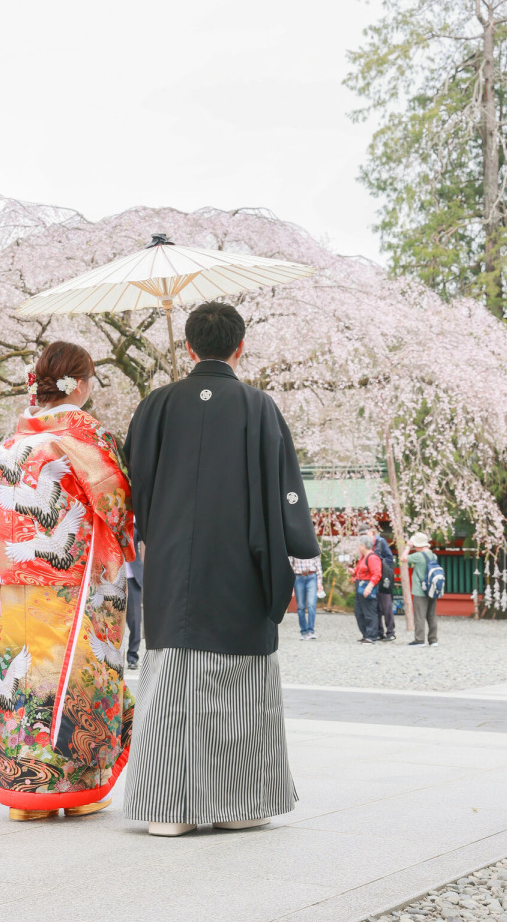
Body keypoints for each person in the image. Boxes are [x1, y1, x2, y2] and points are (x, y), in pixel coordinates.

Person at [123, 301, 319, 837]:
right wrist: (301, 544)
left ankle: (168, 809)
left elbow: (134, 483)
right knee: (241, 682)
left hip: (171, 566)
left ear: (188, 347)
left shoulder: (155, 406)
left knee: (170, 678)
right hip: (242, 564)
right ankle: (242, 804)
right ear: (240, 346)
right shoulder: (259, 407)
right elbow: (286, 489)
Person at [0, 340, 135, 821]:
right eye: (91, 379)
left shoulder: (11, 444)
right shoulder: (85, 436)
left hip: (17, 584)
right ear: (78, 384)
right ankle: (78, 792)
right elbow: (116, 501)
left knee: (24, 678)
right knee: (75, 677)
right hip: (75, 584)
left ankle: (25, 794)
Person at [359, 525, 396, 642]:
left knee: (386, 605)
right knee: (375, 606)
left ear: (371, 532)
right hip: (371, 578)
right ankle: (379, 631)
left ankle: (391, 632)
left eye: (365, 534)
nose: (364, 537)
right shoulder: (364, 547)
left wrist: (377, 561)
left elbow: (390, 558)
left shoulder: (381, 542)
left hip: (383, 576)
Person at [404, 531, 438, 647]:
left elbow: (403, 558)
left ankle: (419, 640)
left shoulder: (418, 556)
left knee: (419, 615)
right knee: (431, 615)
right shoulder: (434, 555)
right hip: (432, 589)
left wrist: (408, 547)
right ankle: (433, 640)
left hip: (420, 590)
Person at [352, 535, 381, 644]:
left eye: (359, 545)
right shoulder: (363, 557)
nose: (358, 547)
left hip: (367, 585)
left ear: (363, 546)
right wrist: (353, 572)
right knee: (359, 611)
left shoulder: (372, 557)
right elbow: (360, 570)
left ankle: (372, 635)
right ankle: (366, 634)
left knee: (369, 611)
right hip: (360, 584)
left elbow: (377, 573)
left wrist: (369, 587)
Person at [290, 554, 323, 640]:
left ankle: (311, 631)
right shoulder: (294, 548)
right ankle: (303, 631)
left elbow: (318, 565)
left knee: (311, 605)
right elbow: (289, 565)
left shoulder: (312, 546)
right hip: (298, 577)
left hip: (312, 576)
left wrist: (319, 582)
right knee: (300, 606)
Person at [125, 525, 143, 670]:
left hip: (132, 578)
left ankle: (132, 656)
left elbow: (144, 536)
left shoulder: (135, 524)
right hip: (110, 577)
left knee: (135, 620)